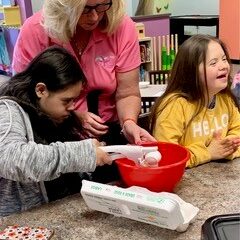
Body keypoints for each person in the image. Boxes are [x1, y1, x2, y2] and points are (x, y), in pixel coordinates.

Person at [12, 0, 156, 145]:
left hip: (108, 132)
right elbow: (25, 97)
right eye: (85, 9)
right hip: (53, 135)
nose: (94, 17)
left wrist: (128, 123)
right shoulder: (36, 30)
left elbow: (128, 93)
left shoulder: (122, 27)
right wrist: (74, 117)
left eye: (102, 5)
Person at [0, 46, 112, 217]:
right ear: (41, 90)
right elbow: (10, 158)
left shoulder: (53, 115)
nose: (73, 107)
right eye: (66, 100)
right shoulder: (8, 110)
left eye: (74, 99)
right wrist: (83, 154)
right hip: (21, 222)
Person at [150, 34, 240, 168]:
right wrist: (208, 152)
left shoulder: (225, 98)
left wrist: (227, 147)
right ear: (191, 71)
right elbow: (166, 155)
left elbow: (237, 130)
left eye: (224, 59)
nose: (224, 66)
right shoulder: (175, 105)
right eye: (213, 63)